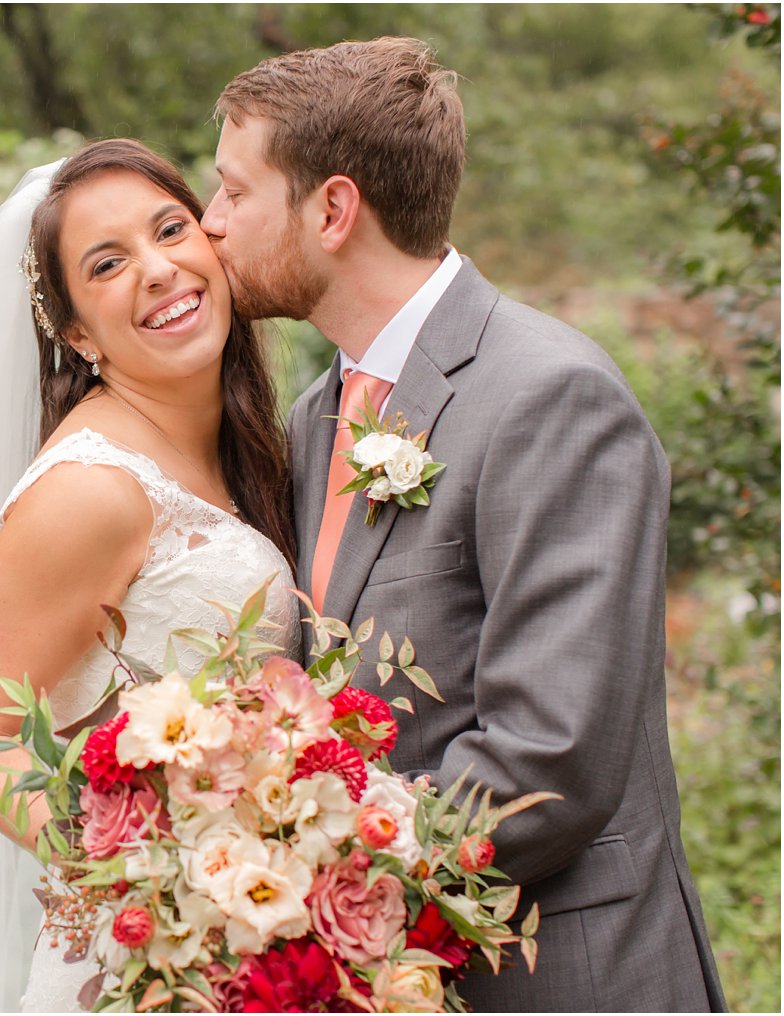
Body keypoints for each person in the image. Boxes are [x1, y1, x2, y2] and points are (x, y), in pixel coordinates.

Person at [199, 37, 726, 1012]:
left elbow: (548, 756)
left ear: (331, 209)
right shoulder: (315, 415)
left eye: (233, 190)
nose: (209, 222)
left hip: (560, 976)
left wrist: (296, 884)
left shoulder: (550, 397)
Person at [0, 139, 301, 1012]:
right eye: (109, 264)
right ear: (78, 331)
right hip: (150, 963)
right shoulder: (89, 490)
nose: (159, 270)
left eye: (171, 229)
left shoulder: (246, 445)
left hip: (256, 935)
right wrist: (150, 887)